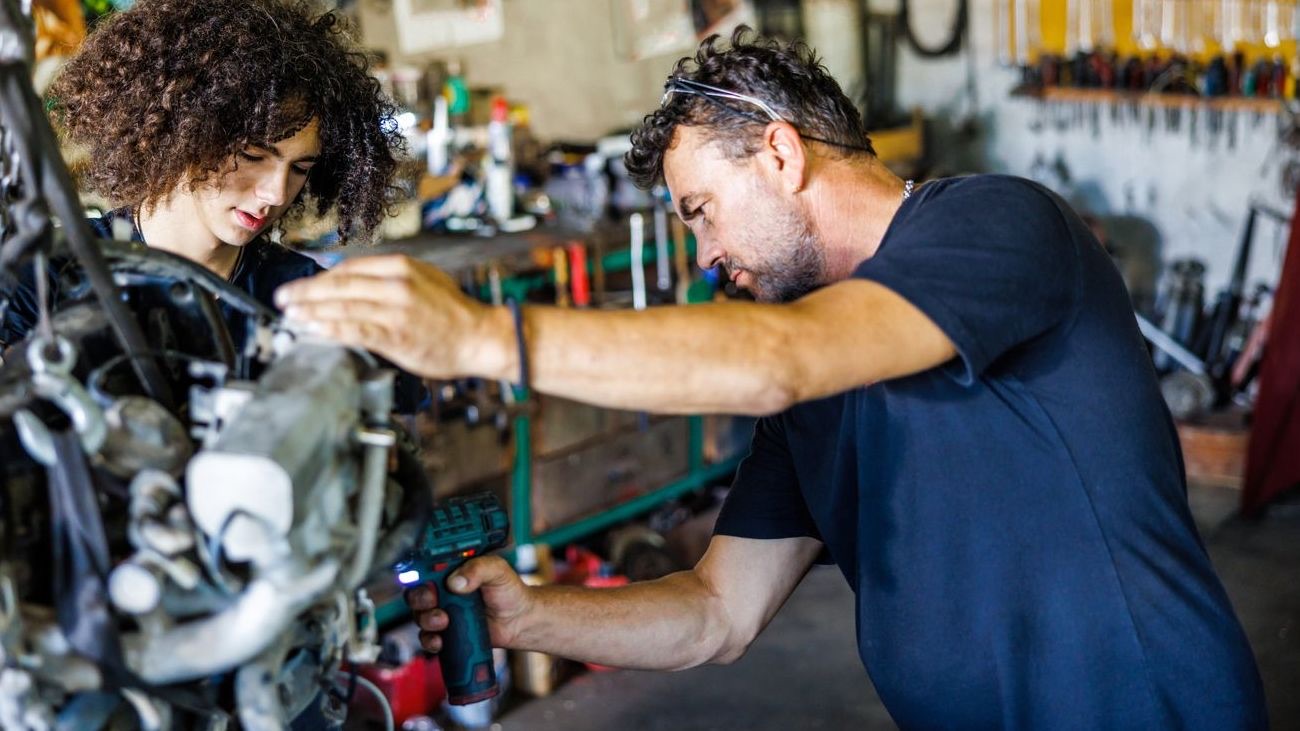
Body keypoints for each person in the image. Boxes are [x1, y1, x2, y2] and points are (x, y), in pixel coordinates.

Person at [276, 28, 1267, 729]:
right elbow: (716, 611)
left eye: (701, 209)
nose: (705, 254)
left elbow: (778, 362)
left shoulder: (996, 222)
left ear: (781, 153)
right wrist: (532, 613)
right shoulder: (811, 391)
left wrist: (482, 337)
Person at [0, 0, 402, 351]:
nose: (276, 193)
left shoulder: (304, 297)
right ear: (185, 131)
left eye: (300, 168)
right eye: (252, 155)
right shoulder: (46, 277)